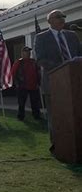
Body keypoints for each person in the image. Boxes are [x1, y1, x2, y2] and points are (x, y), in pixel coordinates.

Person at [35, 9, 82, 153]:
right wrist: (62, 68)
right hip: (54, 83)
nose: (62, 19)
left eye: (63, 17)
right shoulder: (41, 37)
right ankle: (57, 145)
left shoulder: (72, 35)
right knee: (55, 116)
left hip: (76, 83)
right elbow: (41, 59)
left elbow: (79, 55)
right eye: (58, 17)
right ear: (49, 21)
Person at [10, 46, 41, 121]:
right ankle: (20, 117)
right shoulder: (18, 62)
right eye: (26, 52)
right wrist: (16, 83)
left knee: (35, 102)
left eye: (29, 52)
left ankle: (36, 116)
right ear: (22, 53)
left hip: (33, 86)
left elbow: (38, 72)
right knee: (21, 103)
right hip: (22, 86)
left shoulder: (34, 62)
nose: (28, 53)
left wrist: (39, 82)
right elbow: (13, 73)